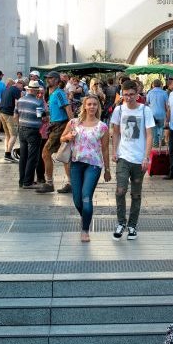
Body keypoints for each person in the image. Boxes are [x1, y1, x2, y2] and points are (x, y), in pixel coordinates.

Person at [60, 95, 111, 241]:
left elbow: (105, 149)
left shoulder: (102, 127)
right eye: (89, 104)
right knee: (77, 200)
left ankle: (85, 229)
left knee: (86, 196)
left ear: (98, 107)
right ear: (84, 106)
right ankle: (85, 216)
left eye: (95, 104)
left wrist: (107, 170)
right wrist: (68, 136)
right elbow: (61, 138)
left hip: (94, 165)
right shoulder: (74, 122)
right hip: (76, 164)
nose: (92, 107)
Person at [110, 80, 154, 241]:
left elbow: (149, 135)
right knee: (120, 190)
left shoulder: (145, 110)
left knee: (136, 194)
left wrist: (146, 157)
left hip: (139, 159)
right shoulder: (119, 110)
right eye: (125, 95)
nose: (128, 98)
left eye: (131, 95)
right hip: (123, 156)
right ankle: (121, 222)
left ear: (137, 94)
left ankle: (132, 226)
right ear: (122, 94)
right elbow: (115, 132)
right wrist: (114, 151)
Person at [39, 71, 74, 194]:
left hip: (60, 126)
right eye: (47, 78)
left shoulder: (59, 93)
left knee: (45, 153)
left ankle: (49, 183)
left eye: (51, 78)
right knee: (65, 155)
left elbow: (68, 108)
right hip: (55, 126)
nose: (48, 80)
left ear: (57, 80)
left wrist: (73, 125)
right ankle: (70, 183)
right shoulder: (52, 93)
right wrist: (47, 117)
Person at [16, 80, 46, 189]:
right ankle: (28, 182)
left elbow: (16, 114)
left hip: (22, 129)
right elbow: (40, 116)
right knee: (32, 157)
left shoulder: (20, 100)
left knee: (23, 156)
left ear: (28, 90)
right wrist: (46, 115)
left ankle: (21, 180)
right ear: (35, 90)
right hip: (33, 130)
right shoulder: (38, 102)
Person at [0, 77, 23, 161]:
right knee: (14, 134)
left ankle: (7, 152)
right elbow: (20, 102)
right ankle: (7, 154)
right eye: (22, 84)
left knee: (7, 135)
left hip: (2, 112)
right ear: (17, 84)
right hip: (9, 113)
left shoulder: (7, 89)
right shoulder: (16, 90)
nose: (23, 87)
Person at [146, 79, 170, 147]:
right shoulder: (164, 93)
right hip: (162, 113)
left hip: (152, 113)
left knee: (154, 128)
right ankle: (162, 140)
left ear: (153, 85)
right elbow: (167, 105)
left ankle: (155, 143)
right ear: (161, 85)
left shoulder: (150, 92)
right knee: (162, 127)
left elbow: (147, 103)